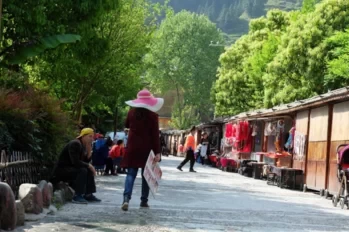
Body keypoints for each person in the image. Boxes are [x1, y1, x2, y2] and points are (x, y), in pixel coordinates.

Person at [120, 89, 163, 211]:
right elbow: (155, 135)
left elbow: (126, 125)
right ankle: (144, 201)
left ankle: (126, 199)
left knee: (131, 174)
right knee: (146, 175)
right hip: (147, 149)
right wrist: (157, 152)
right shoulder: (153, 115)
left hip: (133, 147)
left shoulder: (131, 113)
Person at [51, 128, 101, 204]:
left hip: (71, 169)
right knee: (83, 170)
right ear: (83, 136)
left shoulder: (83, 145)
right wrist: (89, 166)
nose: (92, 139)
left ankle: (88, 194)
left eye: (92, 137)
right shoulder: (75, 144)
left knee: (87, 169)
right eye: (90, 136)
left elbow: (84, 162)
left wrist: (89, 152)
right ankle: (77, 195)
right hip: (62, 170)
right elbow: (75, 162)